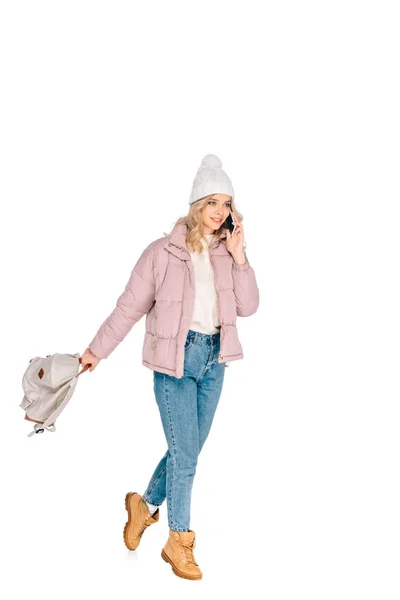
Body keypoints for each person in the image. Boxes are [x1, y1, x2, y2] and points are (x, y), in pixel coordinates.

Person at [80, 153, 259, 580]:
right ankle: (179, 542)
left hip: (215, 360)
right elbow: (127, 308)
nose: (220, 212)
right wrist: (95, 351)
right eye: (213, 203)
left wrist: (239, 256)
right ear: (197, 205)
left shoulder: (226, 253)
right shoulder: (161, 253)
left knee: (187, 452)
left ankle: (142, 507)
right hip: (174, 364)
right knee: (187, 457)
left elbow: (249, 306)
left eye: (227, 204)